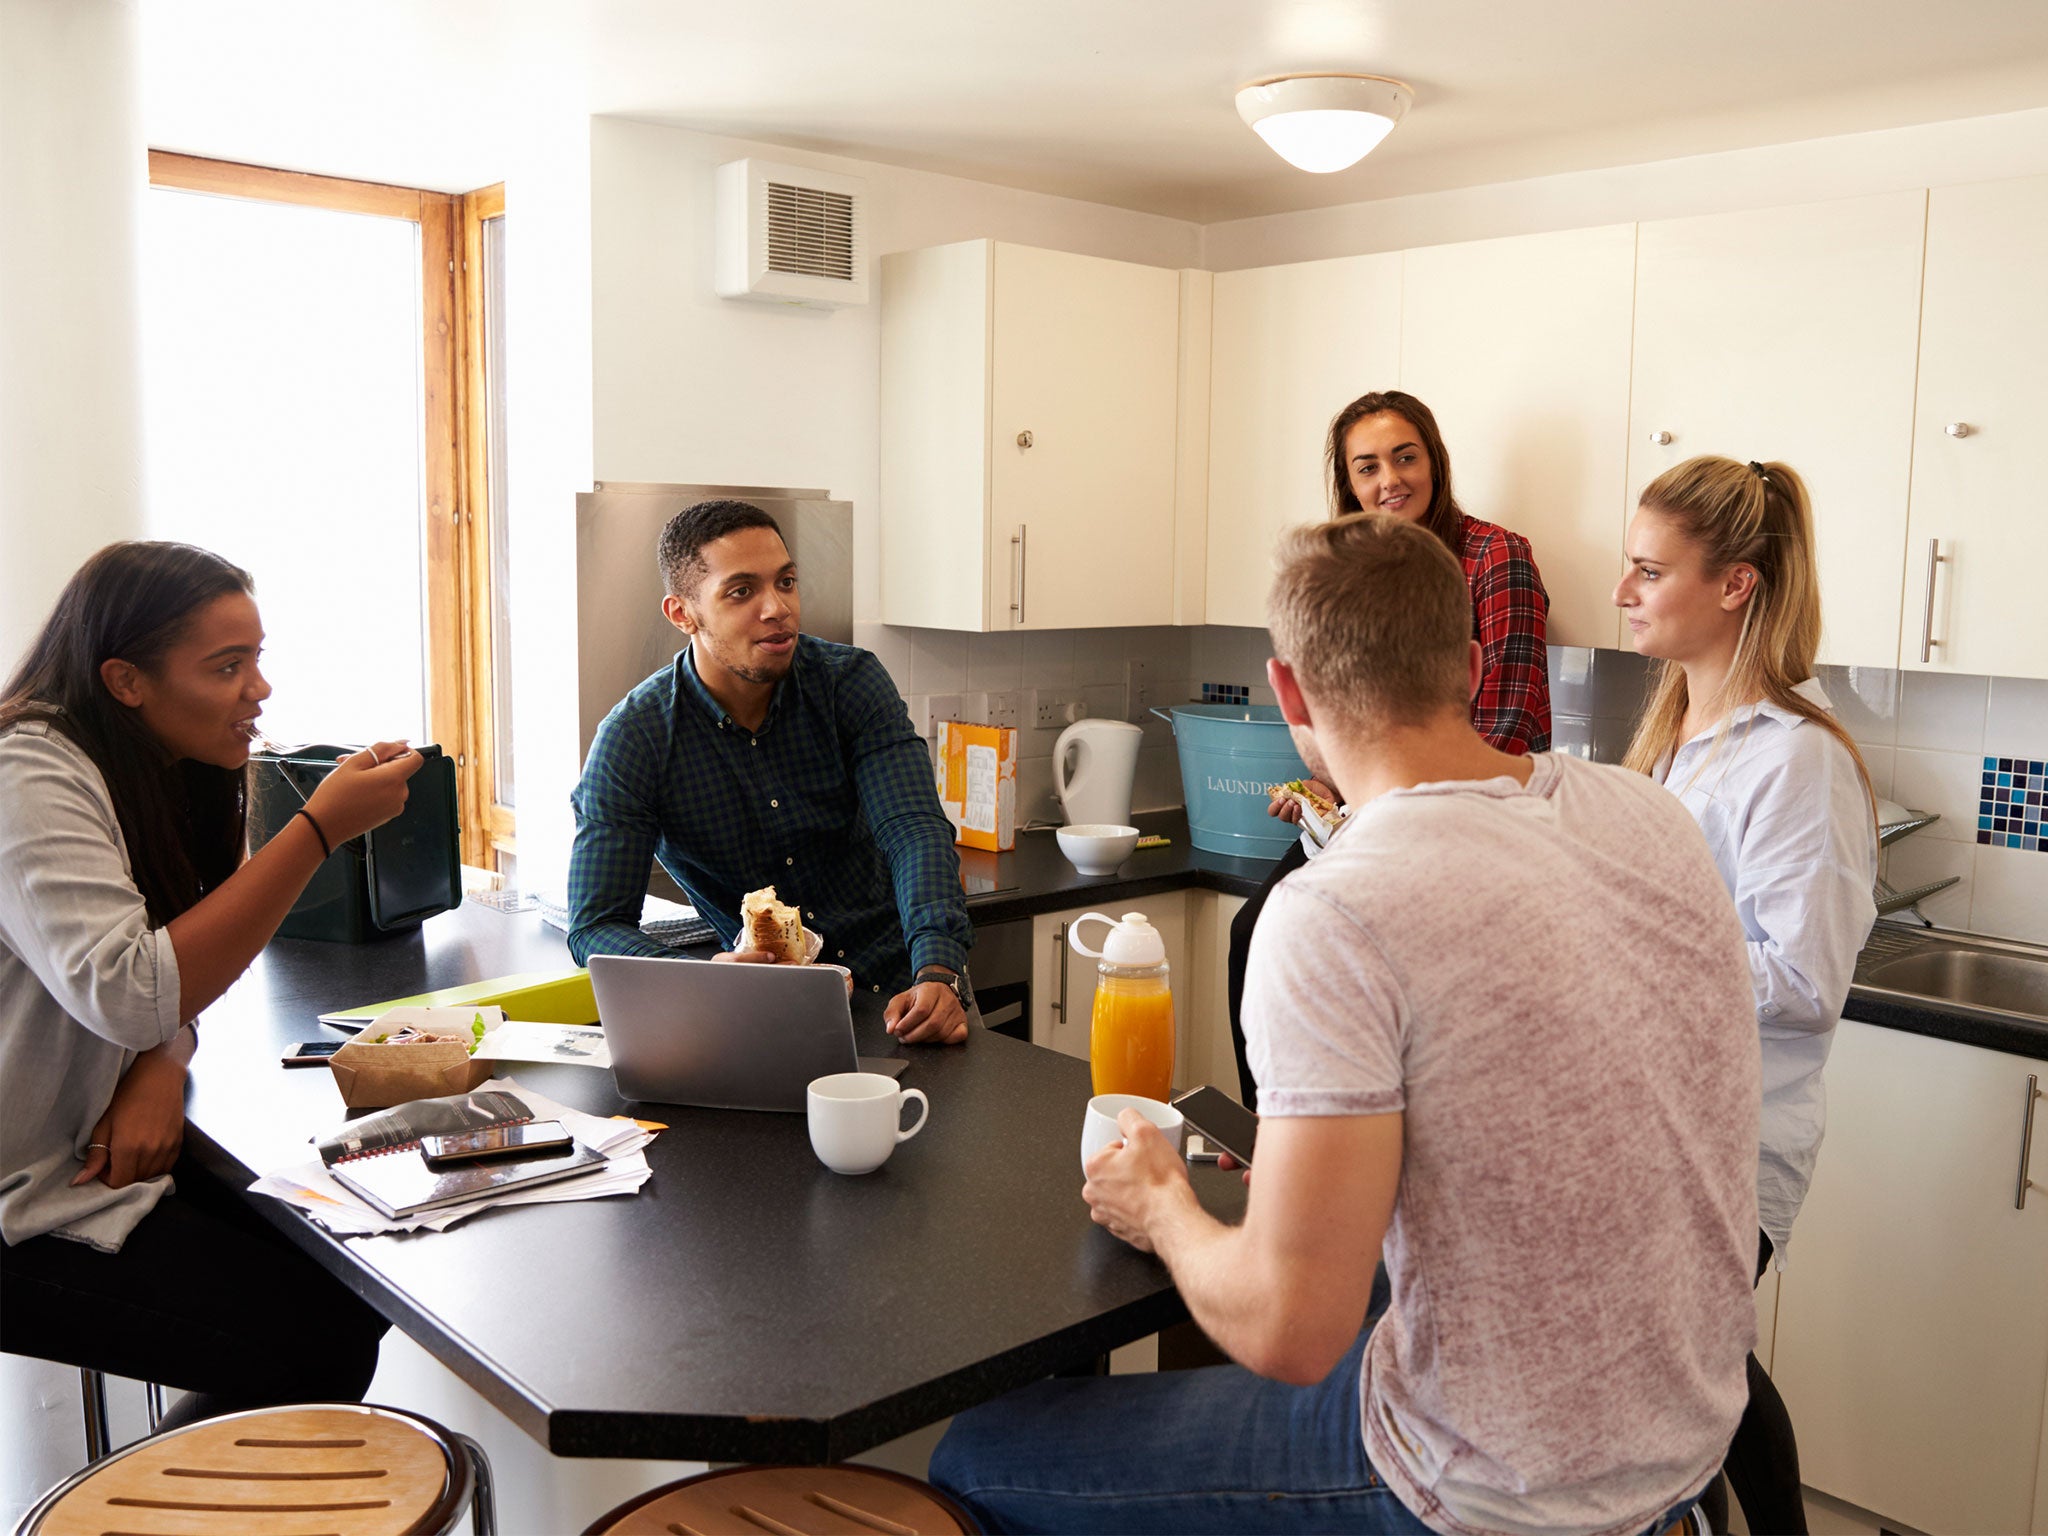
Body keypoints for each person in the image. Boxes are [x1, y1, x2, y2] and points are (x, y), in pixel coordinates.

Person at [930, 513, 1761, 1536]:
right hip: (1684, 1444)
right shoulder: (1645, 813)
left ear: (1286, 692)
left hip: (1487, 1490)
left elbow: (1290, 1332)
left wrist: (1160, 1207)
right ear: (1464, 662)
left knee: (975, 1454)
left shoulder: (1335, 909)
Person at [0, 541, 422, 1430]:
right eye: (226, 667)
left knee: (350, 1278)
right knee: (312, 1336)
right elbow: (129, 987)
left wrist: (160, 1058)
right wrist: (315, 832)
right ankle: (152, 1508)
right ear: (125, 680)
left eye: (257, 659)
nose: (257, 689)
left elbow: (166, 978)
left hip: (71, 1150)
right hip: (15, 1196)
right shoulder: (27, 773)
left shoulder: (157, 764)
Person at [1616, 455, 1879, 1536]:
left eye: (1647, 571)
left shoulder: (1793, 762)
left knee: (1690, 1374)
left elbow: (1805, 982)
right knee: (1697, 1372)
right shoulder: (1676, 729)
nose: (1624, 591)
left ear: (1733, 585)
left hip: (1731, 1141)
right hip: (1660, 1120)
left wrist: (1628, 945)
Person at [1226, 389, 1551, 1106]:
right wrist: (1324, 799)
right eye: (1367, 467)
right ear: (1347, 483)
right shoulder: (1345, 572)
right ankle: (1272, 1135)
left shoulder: (1496, 558)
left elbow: (1506, 723)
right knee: (1255, 930)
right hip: (1364, 815)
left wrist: (1380, 809)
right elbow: (1346, 719)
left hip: (1471, 822)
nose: (1388, 481)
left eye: (1405, 458)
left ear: (1435, 462)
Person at [566, 499, 974, 1044]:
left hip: (909, 992)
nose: (777, 607)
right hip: (762, 1017)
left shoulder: (850, 683)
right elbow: (595, 926)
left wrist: (939, 968)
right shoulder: (634, 740)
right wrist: (704, 978)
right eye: (742, 591)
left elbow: (913, 830)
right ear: (682, 613)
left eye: (786, 582)